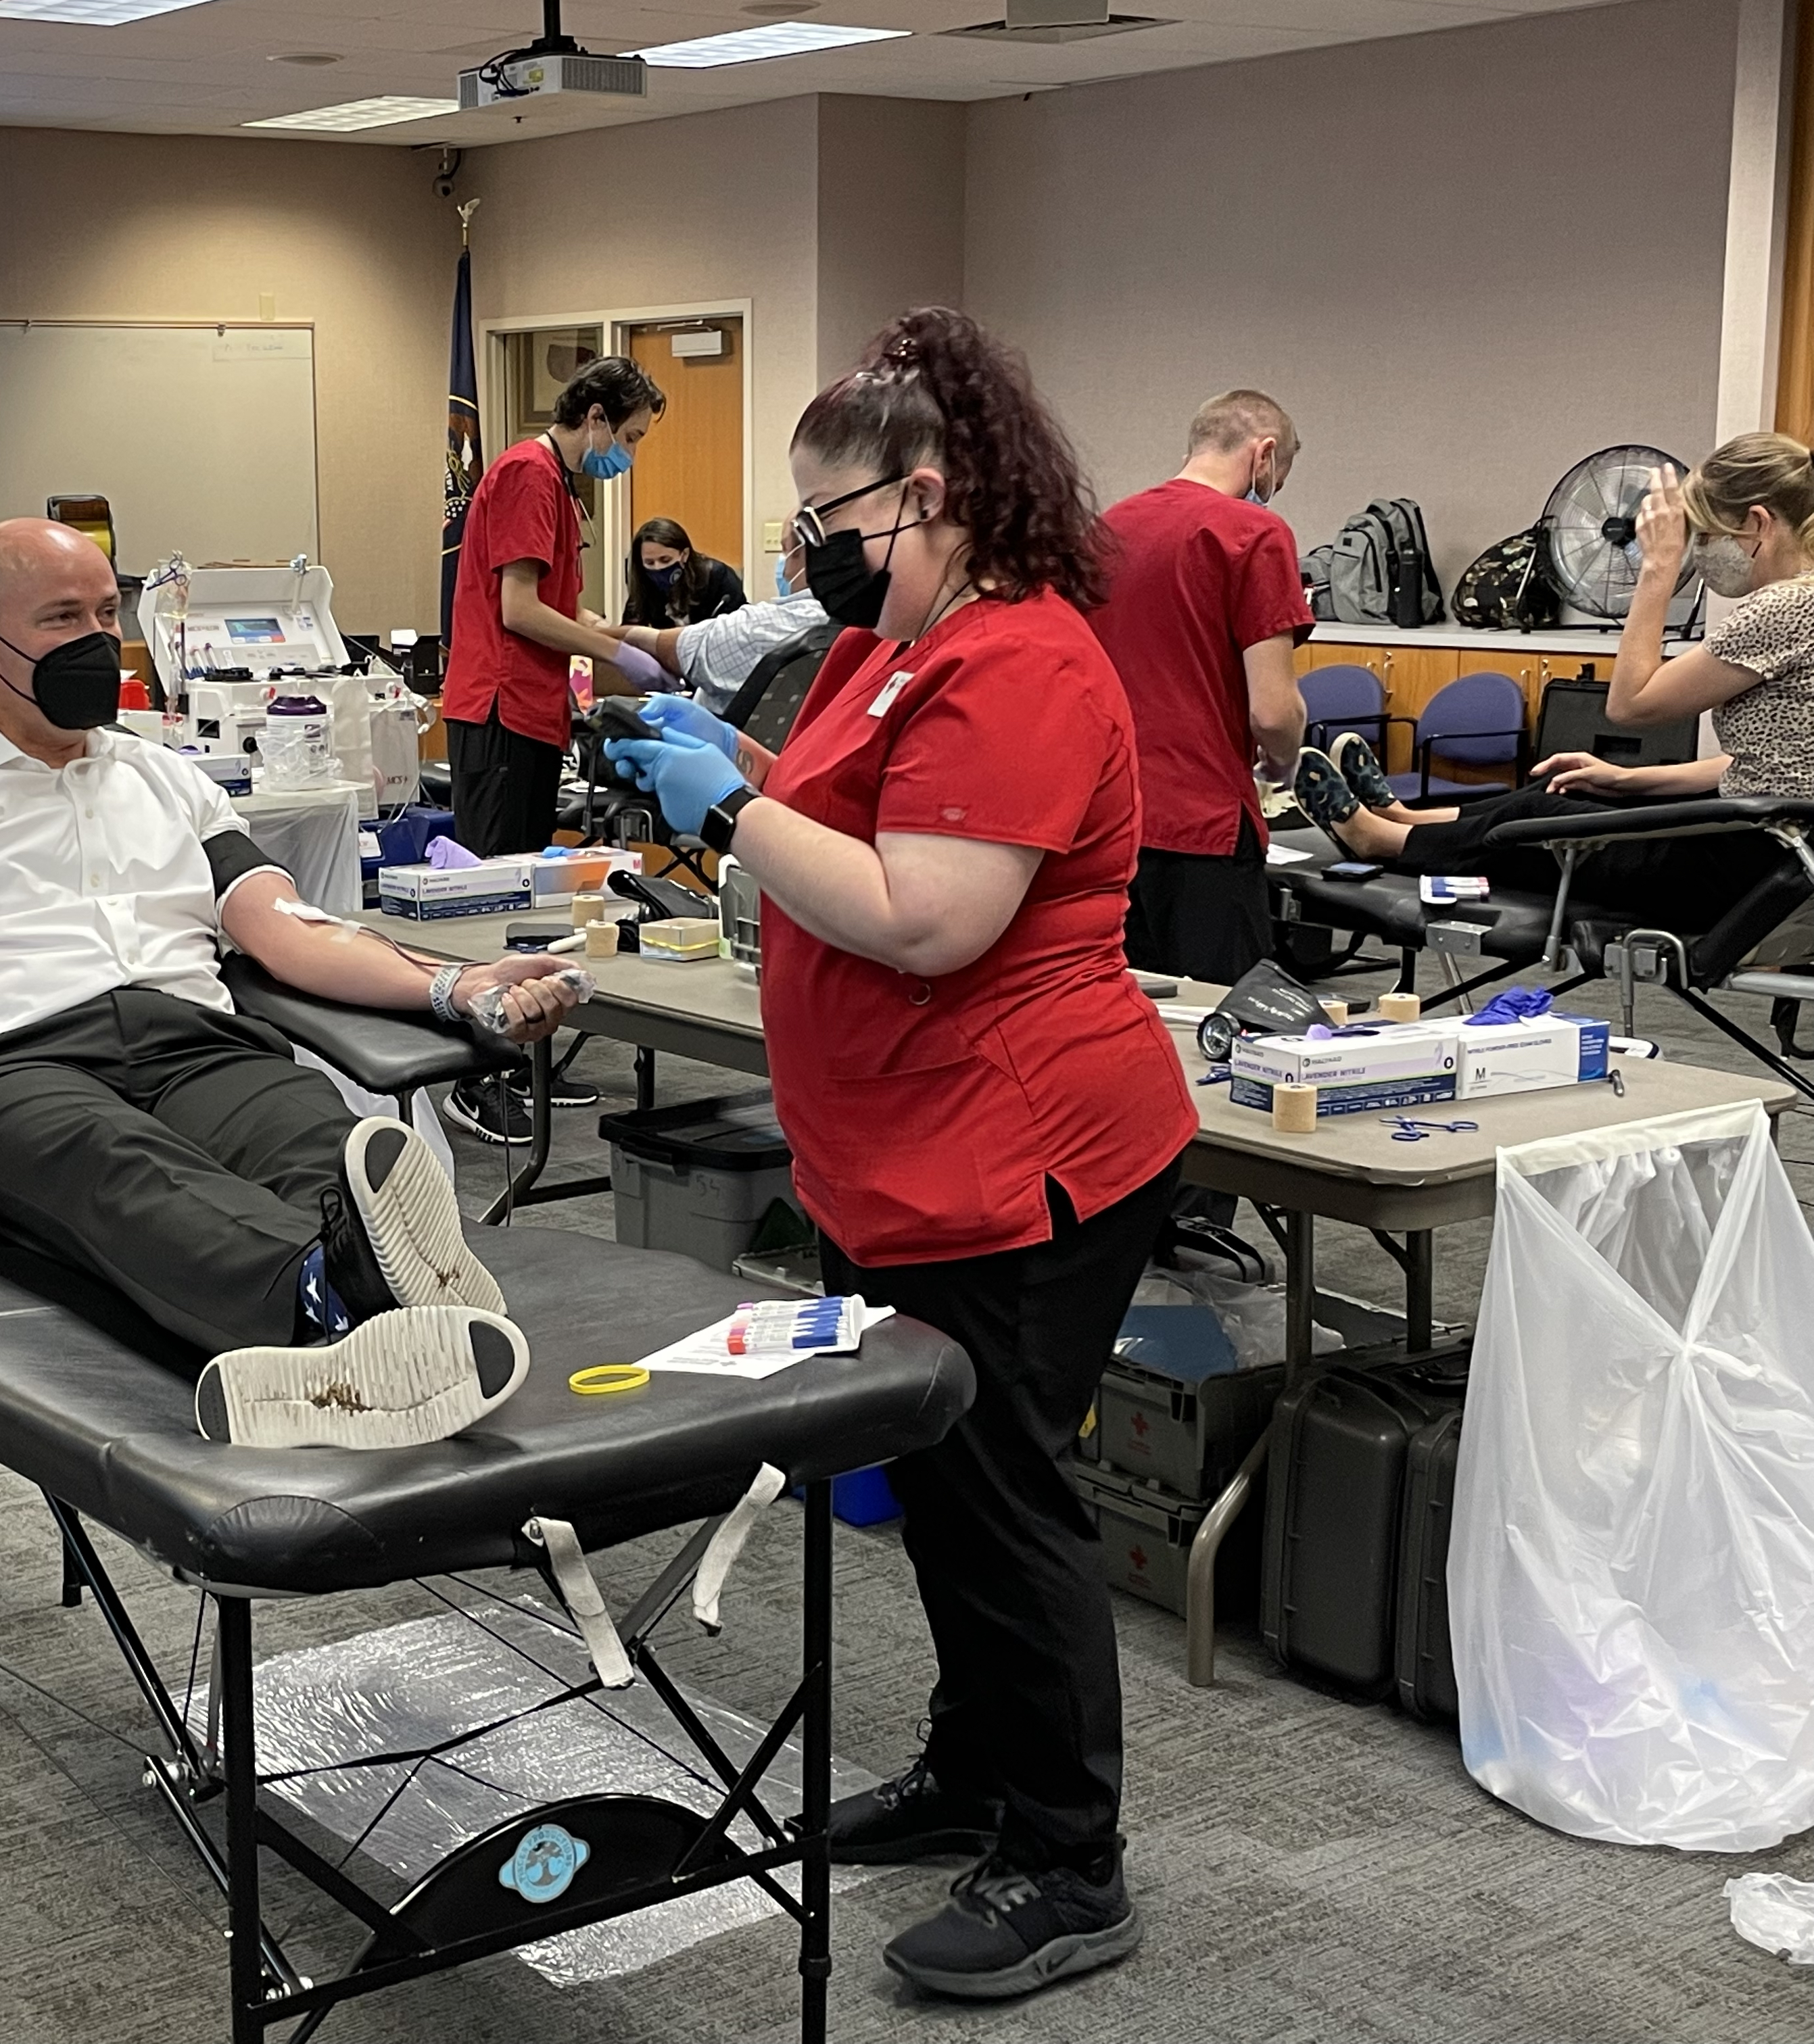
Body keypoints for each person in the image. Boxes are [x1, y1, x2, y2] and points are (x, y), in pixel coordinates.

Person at [601, 309, 1197, 2001]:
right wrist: (733, 773)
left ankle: (1070, 1863)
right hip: (901, 1152)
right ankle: (972, 1773)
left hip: (1019, 1154)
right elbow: (853, 808)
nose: (814, 555)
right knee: (935, 1481)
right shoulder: (897, 646)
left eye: (834, 524)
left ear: (927, 495)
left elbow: (928, 919)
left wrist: (725, 803)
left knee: (1002, 1497)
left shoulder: (1022, 658)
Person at [0, 518, 586, 1450]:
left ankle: (335, 1354)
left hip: (192, 1043)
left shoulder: (170, 782)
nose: (96, 640)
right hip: (12, 1065)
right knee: (127, 1172)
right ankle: (334, 1303)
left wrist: (455, 986)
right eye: (62, 618)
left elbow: (286, 927)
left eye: (106, 612)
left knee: (328, 1152)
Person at [1293, 432, 1814, 920]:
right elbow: (1772, 762)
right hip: (1777, 844)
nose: (1698, 552)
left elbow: (1630, 706)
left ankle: (1379, 841)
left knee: (1544, 818)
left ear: (1759, 523)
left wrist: (1657, 568)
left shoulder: (1785, 608)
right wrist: (1627, 780)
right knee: (1556, 798)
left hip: (1750, 865)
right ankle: (1403, 819)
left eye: (1704, 535)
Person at [438, 356, 663, 1144]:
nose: (627, 453)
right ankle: (477, 1078)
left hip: (528, 713)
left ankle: (519, 1064)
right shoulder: (532, 475)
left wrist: (609, 629)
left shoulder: (552, 484)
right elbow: (521, 611)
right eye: (628, 435)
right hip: (500, 709)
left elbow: (556, 601)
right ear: (595, 416)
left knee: (523, 899)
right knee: (491, 902)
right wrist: (622, 658)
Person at [1088, 389, 1315, 981]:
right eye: (1278, 477)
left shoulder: (1108, 528)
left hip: (1107, 819)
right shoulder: (1254, 533)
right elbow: (1272, 713)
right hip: (1202, 823)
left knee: (1129, 1013)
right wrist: (1284, 766)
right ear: (1263, 455)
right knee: (1229, 1031)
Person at [608, 537, 832, 718]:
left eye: (784, 549)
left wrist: (588, 636)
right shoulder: (845, 617)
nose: (657, 569)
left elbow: (669, 645)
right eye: (649, 563)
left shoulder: (754, 621)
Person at [620, 516, 746, 631]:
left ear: (684, 555)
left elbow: (738, 628)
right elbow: (630, 631)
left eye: (665, 560)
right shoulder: (644, 581)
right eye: (649, 563)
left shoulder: (717, 576)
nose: (657, 568)